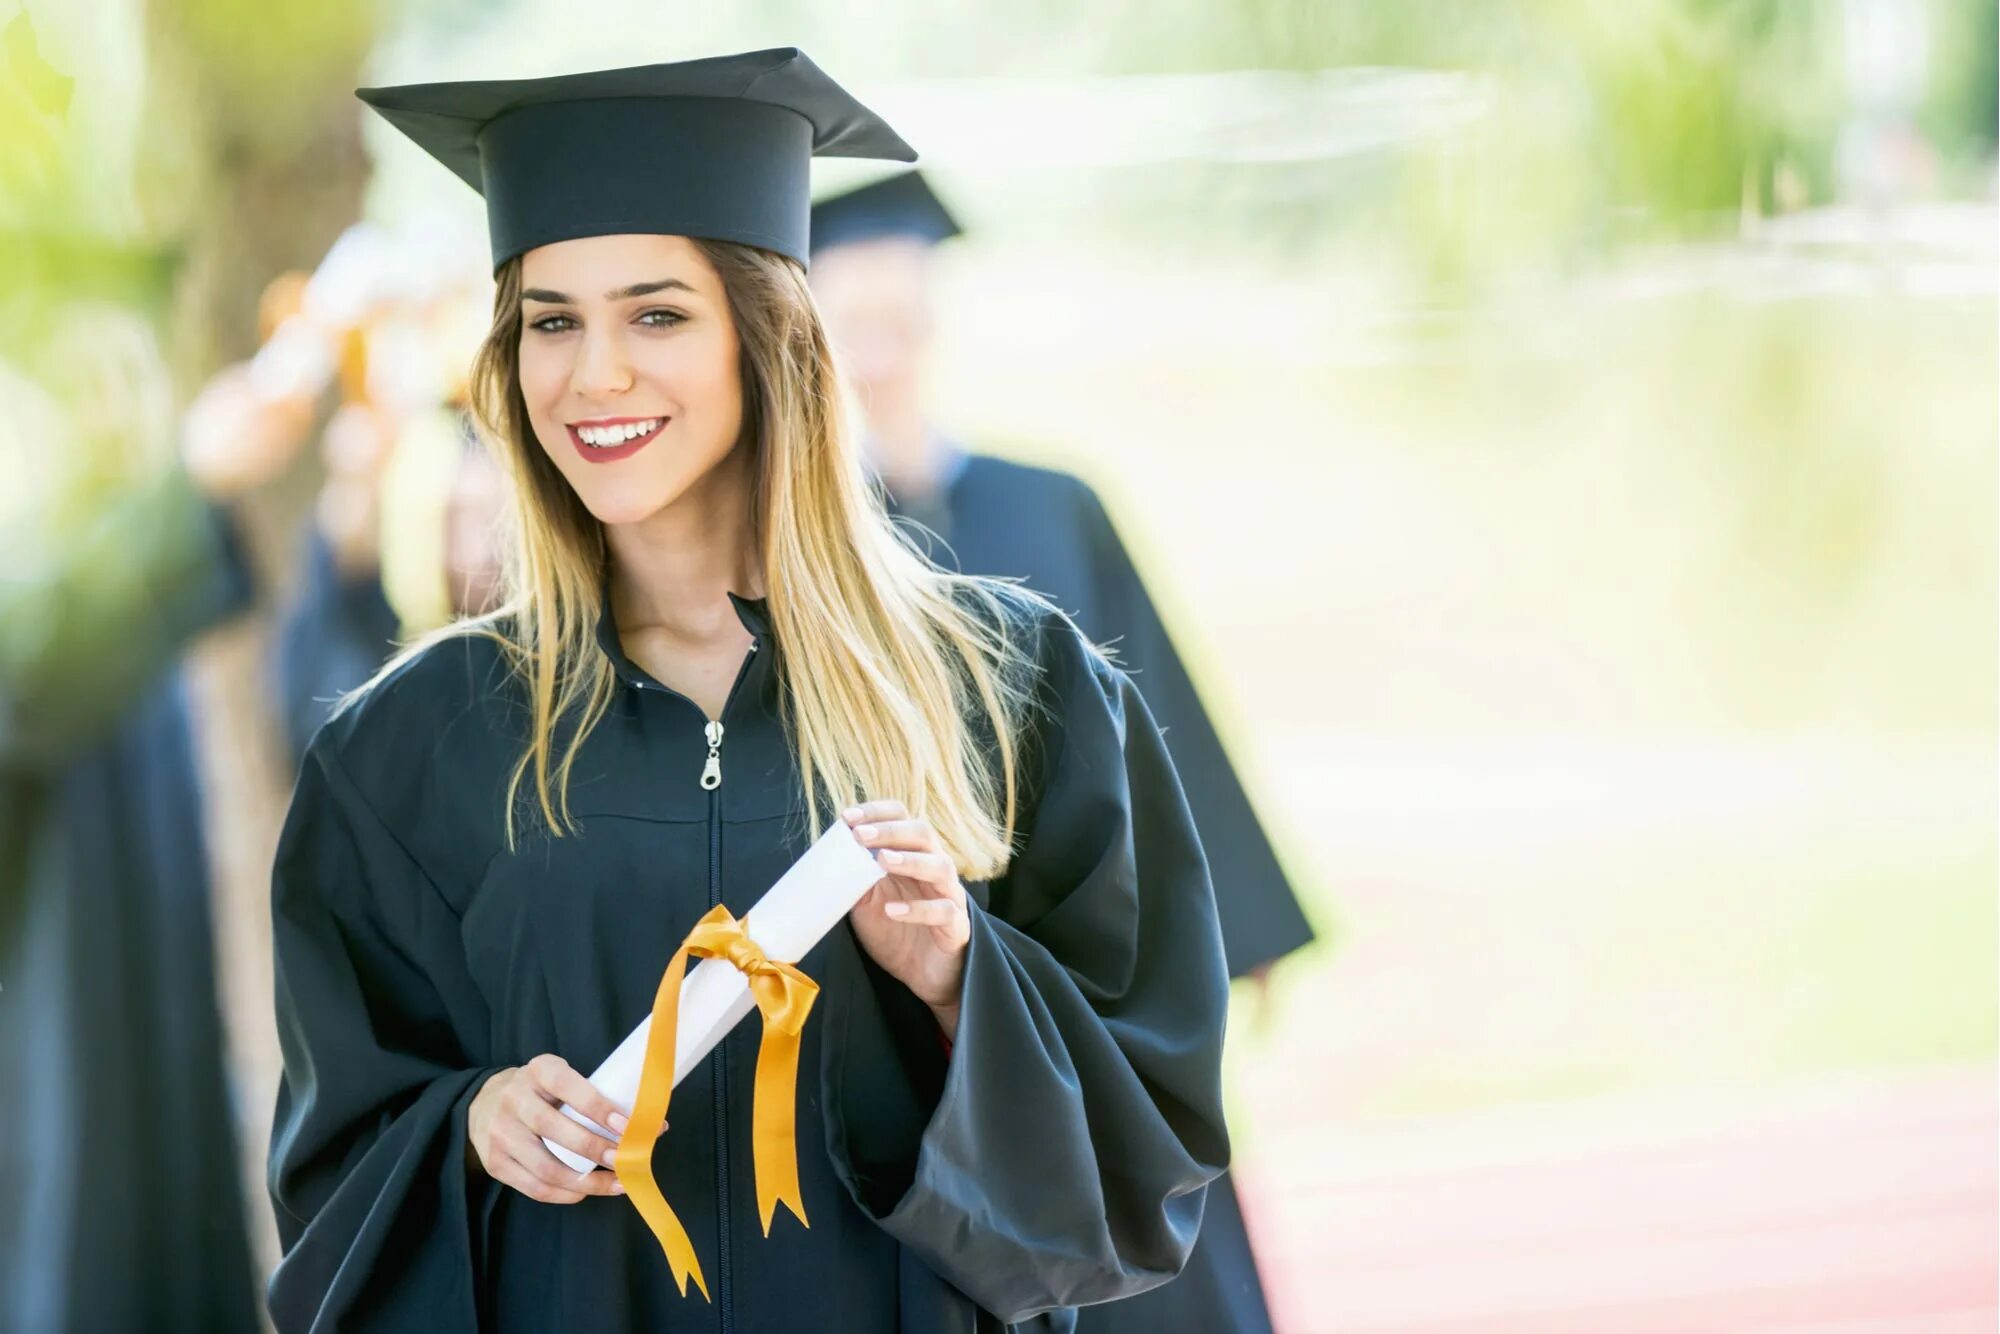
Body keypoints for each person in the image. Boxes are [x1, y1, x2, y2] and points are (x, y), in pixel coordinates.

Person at [266, 49, 1229, 1334]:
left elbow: (1147, 1140)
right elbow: (337, 1180)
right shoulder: (410, 746)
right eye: (551, 319)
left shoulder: (1008, 684)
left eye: (655, 313)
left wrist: (957, 975)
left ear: (763, 337)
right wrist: (471, 1124)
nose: (592, 373)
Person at [810, 169, 1315, 1334]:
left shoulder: (1050, 500)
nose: (882, 347)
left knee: (1157, 1227)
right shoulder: (820, 538)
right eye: (855, 323)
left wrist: (1230, 921)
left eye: (901, 316)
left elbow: (1157, 710)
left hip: (1093, 926)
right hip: (941, 950)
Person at [0, 318, 309, 1334]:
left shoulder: (94, 584)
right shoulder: (54, 602)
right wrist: (184, 485)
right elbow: (33, 680)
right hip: (49, 1064)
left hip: (145, 1056)